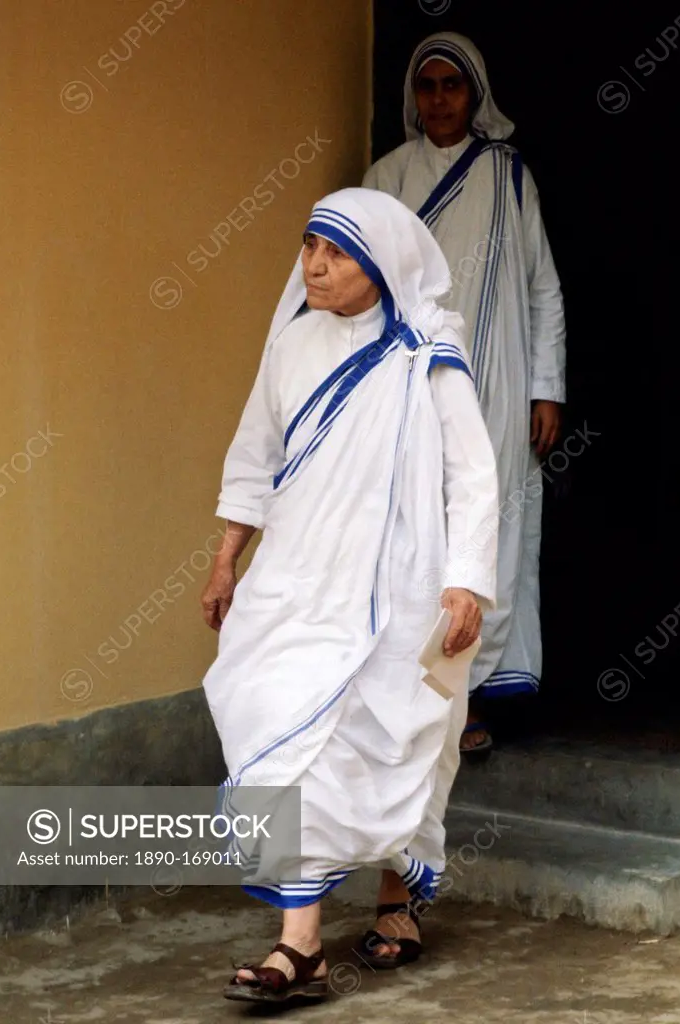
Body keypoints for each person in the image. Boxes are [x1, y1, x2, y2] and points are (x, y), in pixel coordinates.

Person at [200, 187, 498, 1004]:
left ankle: (395, 901)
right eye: (309, 247)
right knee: (278, 726)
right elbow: (254, 452)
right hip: (296, 583)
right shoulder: (291, 347)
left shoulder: (424, 349)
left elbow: (472, 471)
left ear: (383, 264)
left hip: (400, 586)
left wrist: (467, 578)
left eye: (337, 253)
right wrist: (228, 558)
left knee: (397, 745)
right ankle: (302, 946)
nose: (315, 265)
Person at [363, 32, 566, 759]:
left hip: (502, 385)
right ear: (414, 97)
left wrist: (547, 387)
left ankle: (471, 695)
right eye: (429, 86)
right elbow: (367, 288)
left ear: (474, 94)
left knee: (491, 531)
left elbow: (542, 285)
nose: (440, 99)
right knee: (417, 535)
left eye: (453, 85)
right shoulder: (387, 177)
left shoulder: (511, 177)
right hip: (415, 389)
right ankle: (417, 702)